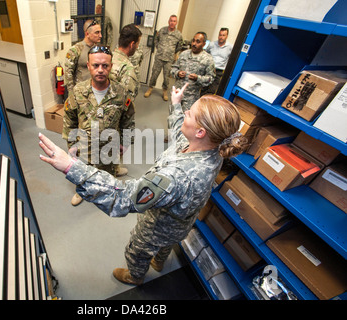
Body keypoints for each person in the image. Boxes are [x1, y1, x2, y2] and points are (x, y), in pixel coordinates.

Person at [39, 83, 249, 285]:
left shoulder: (176, 177)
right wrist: (176, 104)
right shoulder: (213, 148)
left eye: (190, 113)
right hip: (180, 223)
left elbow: (123, 197)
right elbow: (179, 133)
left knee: (138, 250)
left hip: (157, 225)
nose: (185, 113)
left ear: (201, 132)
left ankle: (135, 276)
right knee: (165, 245)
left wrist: (71, 167)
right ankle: (158, 262)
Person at [62, 46, 135, 206]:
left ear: (111, 66)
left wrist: (125, 141)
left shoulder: (121, 92)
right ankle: (81, 190)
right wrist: (71, 144)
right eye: (96, 65)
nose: (100, 70)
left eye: (105, 65)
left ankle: (108, 184)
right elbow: (70, 119)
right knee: (82, 171)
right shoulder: (78, 91)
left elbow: (128, 119)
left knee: (107, 171)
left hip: (109, 145)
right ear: (88, 65)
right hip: (84, 145)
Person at [109, 23, 142, 177]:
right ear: (132, 44)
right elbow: (127, 106)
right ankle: (110, 173)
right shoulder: (128, 69)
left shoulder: (106, 59)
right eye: (138, 44)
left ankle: (112, 169)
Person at [170, 32, 215, 111]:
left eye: (198, 42)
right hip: (177, 94)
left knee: (186, 120)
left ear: (204, 44)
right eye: (193, 41)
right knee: (173, 116)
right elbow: (173, 69)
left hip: (191, 98)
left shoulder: (208, 59)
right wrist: (177, 73)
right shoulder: (184, 54)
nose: (194, 44)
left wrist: (198, 78)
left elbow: (211, 78)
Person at [144, 15, 183, 101]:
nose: (172, 22)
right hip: (159, 57)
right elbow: (156, 39)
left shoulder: (178, 34)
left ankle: (165, 91)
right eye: (171, 20)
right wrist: (159, 47)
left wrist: (173, 52)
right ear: (168, 21)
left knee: (166, 77)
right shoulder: (162, 30)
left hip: (169, 59)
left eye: (174, 21)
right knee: (154, 74)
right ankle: (150, 88)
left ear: (176, 23)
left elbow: (179, 46)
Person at [64, 20, 102, 95]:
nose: (100, 35)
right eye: (97, 32)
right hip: (81, 93)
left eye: (100, 32)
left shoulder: (98, 49)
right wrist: (71, 94)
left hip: (95, 91)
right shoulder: (76, 50)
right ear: (87, 34)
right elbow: (68, 74)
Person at [201, 27, 233, 95]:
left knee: (212, 91)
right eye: (220, 35)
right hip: (209, 69)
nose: (221, 37)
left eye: (223, 35)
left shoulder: (230, 47)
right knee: (204, 88)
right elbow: (205, 54)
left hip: (219, 72)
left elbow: (231, 60)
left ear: (227, 36)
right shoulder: (212, 44)